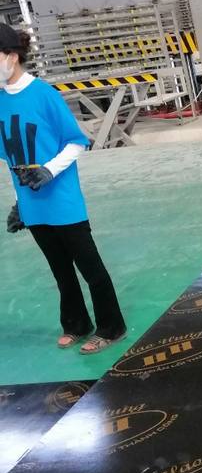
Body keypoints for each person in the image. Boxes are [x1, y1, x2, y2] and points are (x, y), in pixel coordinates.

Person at [0, 24, 126, 354]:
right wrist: (19, 203)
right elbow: (12, 158)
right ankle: (76, 323)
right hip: (33, 205)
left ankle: (112, 327)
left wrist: (48, 170)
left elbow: (76, 141)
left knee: (90, 267)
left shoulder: (43, 95)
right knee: (60, 270)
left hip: (62, 200)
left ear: (12, 57)